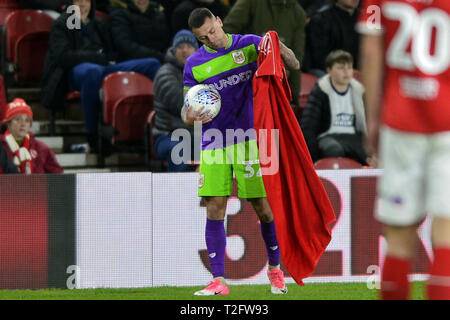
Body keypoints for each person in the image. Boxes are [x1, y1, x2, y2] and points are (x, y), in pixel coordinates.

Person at [181, 8, 300, 296]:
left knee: (262, 207)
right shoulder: (194, 65)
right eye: (203, 38)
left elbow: (293, 63)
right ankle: (218, 281)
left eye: (212, 31)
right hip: (214, 142)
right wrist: (192, 114)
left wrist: (275, 44)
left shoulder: (247, 44)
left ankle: (275, 270)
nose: (211, 39)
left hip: (252, 139)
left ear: (220, 22)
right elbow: (186, 114)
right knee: (214, 207)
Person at [358, 0, 450, 299]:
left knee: (398, 240)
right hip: (447, 122)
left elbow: (371, 53)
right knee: (446, 237)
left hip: (400, 122)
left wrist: (372, 118)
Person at [41, 0, 161, 153]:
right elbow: (63, 57)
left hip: (104, 67)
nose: (83, 4)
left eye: (86, 1)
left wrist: (106, 58)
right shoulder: (62, 23)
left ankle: (159, 128)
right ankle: (93, 136)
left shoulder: (98, 24)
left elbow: (112, 52)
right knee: (93, 72)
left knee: (152, 64)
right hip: (74, 73)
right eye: (78, 0)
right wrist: (93, 57)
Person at [222, 0, 307, 108]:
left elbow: (297, 56)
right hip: (244, 77)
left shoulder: (298, 12)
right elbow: (227, 35)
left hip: (278, 81)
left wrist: (293, 97)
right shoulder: (250, 3)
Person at [300, 50, 369, 165]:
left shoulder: (359, 91)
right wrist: (312, 160)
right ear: (329, 71)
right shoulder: (320, 91)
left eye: (349, 67)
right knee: (333, 149)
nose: (346, 72)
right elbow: (308, 128)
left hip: (354, 137)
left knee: (369, 151)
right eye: (341, 68)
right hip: (328, 136)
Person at [152, 29, 199, 172]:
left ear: (196, 50)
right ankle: (177, 193)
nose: (185, 50)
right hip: (168, 136)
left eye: (189, 47)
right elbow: (180, 103)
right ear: (173, 51)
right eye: (180, 47)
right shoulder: (165, 73)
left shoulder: (203, 71)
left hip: (196, 137)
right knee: (179, 152)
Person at [0, 98, 63, 174]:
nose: (23, 124)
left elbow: (58, 176)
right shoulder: (1, 147)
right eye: (17, 120)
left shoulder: (41, 148)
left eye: (27, 120)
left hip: (36, 186)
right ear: (8, 124)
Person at [303, 0, 360, 77]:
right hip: (327, 71)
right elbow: (319, 58)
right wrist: (347, 69)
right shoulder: (321, 19)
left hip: (356, 72)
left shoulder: (364, 22)